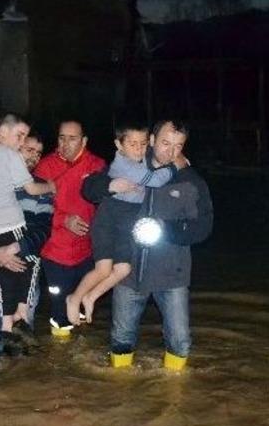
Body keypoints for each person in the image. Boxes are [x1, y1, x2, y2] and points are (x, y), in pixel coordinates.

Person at [82, 119, 213, 372]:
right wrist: (109, 186)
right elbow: (89, 187)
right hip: (128, 273)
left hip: (172, 276)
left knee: (180, 342)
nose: (170, 151)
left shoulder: (190, 180)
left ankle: (175, 396)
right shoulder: (130, 163)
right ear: (152, 140)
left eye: (178, 145)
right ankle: (120, 394)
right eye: (165, 143)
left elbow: (204, 227)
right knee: (121, 341)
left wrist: (165, 230)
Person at [65, 122, 185, 326]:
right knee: (103, 269)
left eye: (142, 144)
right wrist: (176, 166)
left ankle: (91, 297)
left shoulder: (142, 162)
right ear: (119, 145)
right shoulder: (124, 164)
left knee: (122, 270)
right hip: (109, 219)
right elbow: (154, 180)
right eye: (133, 144)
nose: (139, 149)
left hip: (128, 223)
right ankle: (74, 298)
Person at [0, 114, 56, 357]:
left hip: (23, 265)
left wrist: (14, 249)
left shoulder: (39, 190)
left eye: (39, 152)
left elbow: (43, 229)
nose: (33, 156)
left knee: (20, 340)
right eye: (28, 147)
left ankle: (16, 387)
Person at [33, 120, 106, 337]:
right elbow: (35, 212)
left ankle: (79, 361)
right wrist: (64, 220)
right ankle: (59, 361)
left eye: (72, 138)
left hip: (88, 252)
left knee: (84, 311)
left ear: (84, 140)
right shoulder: (45, 167)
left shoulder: (97, 166)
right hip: (55, 252)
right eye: (61, 138)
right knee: (60, 314)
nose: (65, 143)